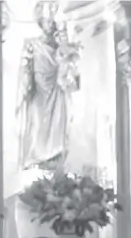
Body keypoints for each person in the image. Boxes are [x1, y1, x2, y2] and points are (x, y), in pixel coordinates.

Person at [17, 1, 80, 170]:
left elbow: (73, 79)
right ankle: (37, 161)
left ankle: (55, 161)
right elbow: (25, 70)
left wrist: (67, 56)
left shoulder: (64, 48)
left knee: (59, 127)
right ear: (40, 22)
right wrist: (25, 88)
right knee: (37, 125)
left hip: (57, 92)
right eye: (47, 21)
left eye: (53, 22)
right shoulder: (32, 44)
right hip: (39, 91)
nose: (51, 25)